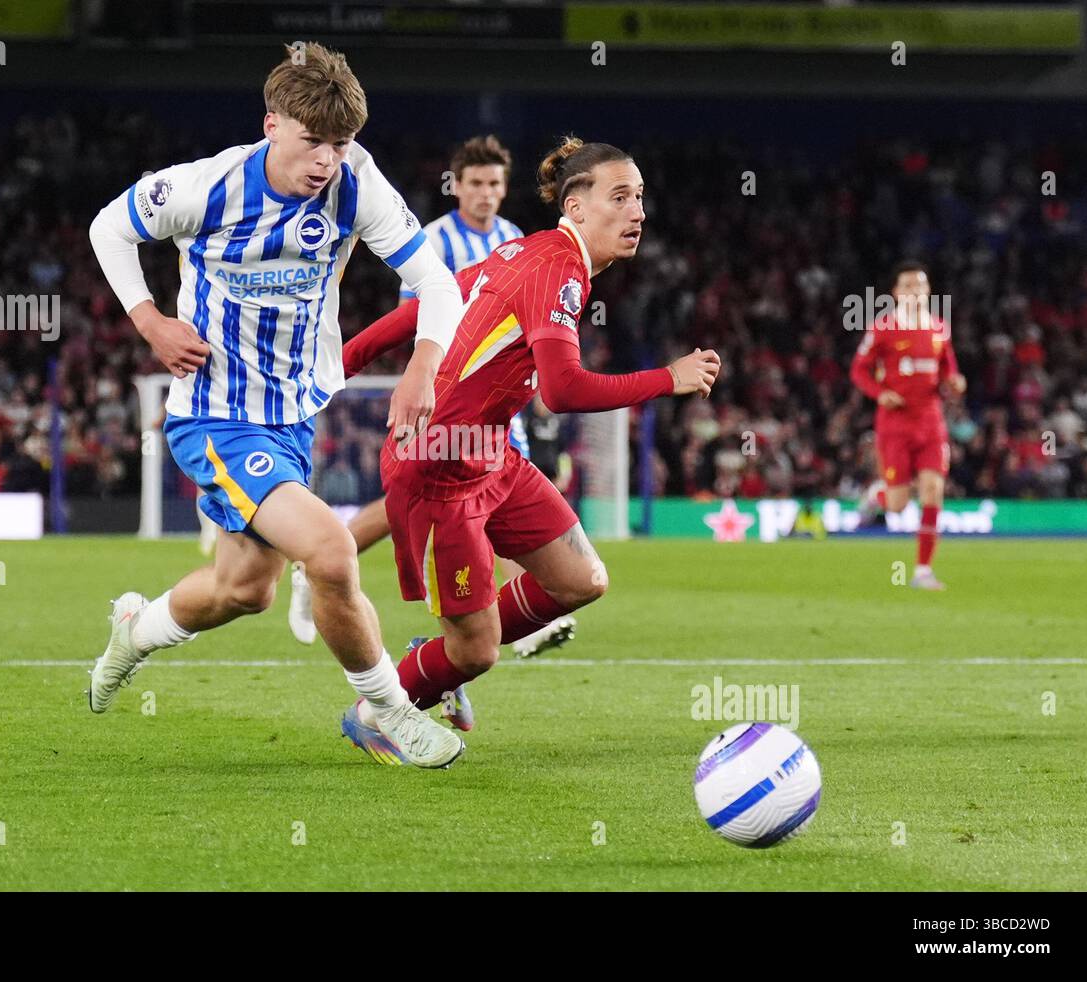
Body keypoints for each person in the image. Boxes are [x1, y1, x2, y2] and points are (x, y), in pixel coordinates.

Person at [86, 42, 469, 768]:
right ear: (271, 125)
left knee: (245, 590)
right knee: (329, 552)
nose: (326, 160)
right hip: (214, 413)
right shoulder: (205, 187)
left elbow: (437, 282)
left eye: (341, 144)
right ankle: (388, 712)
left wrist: (425, 362)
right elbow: (111, 226)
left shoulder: (357, 184)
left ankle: (134, 629)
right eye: (312, 142)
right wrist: (149, 322)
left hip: (291, 416)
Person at [336, 136, 721, 763]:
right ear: (574, 207)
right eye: (620, 197)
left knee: (581, 580)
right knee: (477, 652)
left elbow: (431, 304)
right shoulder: (556, 269)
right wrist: (665, 379)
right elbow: (564, 391)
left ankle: (434, 657)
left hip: (490, 454)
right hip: (437, 470)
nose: (638, 213)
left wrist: (341, 362)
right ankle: (377, 710)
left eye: (641, 198)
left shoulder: (523, 251)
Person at [288, 136, 576, 657]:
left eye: (495, 184)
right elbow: (416, 318)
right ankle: (321, 562)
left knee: (493, 495)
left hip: (498, 398)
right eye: (476, 184)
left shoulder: (513, 236)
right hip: (446, 394)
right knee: (417, 501)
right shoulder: (436, 241)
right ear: (457, 186)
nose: (486, 193)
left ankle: (514, 619)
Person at [850, 260, 966, 590]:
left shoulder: (939, 327)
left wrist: (955, 382)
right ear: (896, 293)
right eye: (909, 286)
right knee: (899, 504)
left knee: (933, 492)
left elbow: (948, 370)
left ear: (928, 291)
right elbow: (858, 371)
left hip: (931, 422)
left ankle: (923, 572)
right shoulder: (882, 328)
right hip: (895, 425)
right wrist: (880, 392)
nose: (916, 291)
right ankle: (877, 495)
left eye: (921, 285)